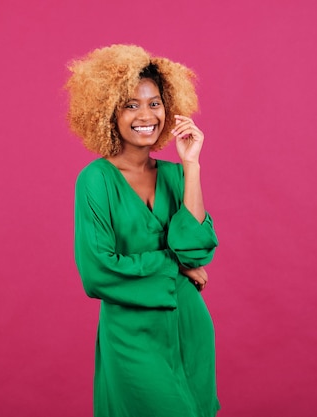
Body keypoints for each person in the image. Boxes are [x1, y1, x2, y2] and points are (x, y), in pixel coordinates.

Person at [66, 44, 220, 417]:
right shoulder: (95, 181)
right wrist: (175, 266)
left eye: (155, 103)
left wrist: (191, 165)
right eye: (131, 104)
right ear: (108, 113)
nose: (146, 115)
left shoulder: (175, 175)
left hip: (188, 323)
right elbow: (97, 271)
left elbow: (196, 252)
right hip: (132, 335)